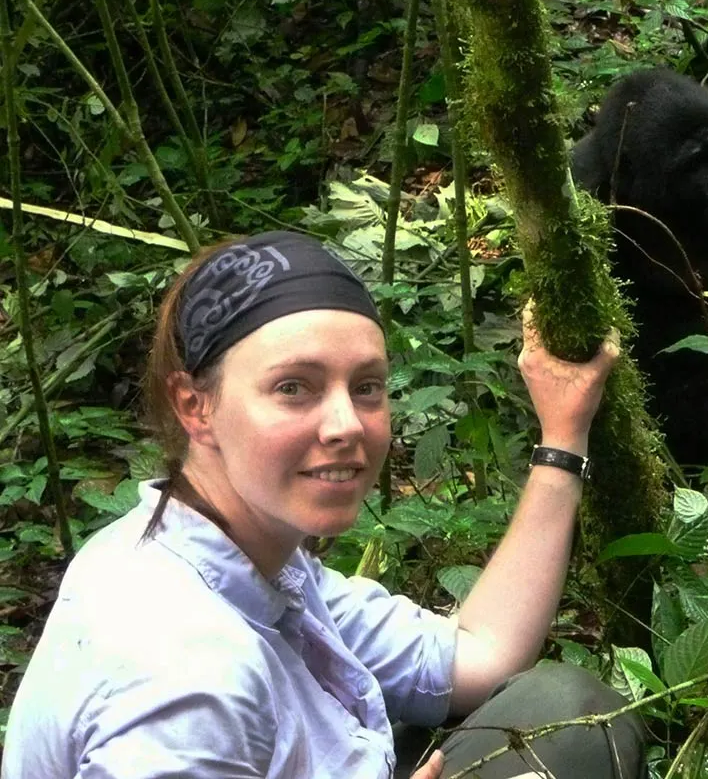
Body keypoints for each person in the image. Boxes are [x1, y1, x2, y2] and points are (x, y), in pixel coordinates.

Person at [1, 232, 647, 778]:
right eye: (293, 387)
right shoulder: (186, 677)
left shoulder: (240, 557)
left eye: (366, 387)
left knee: (568, 711)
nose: (346, 424)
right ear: (195, 406)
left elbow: (480, 655)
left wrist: (563, 436)